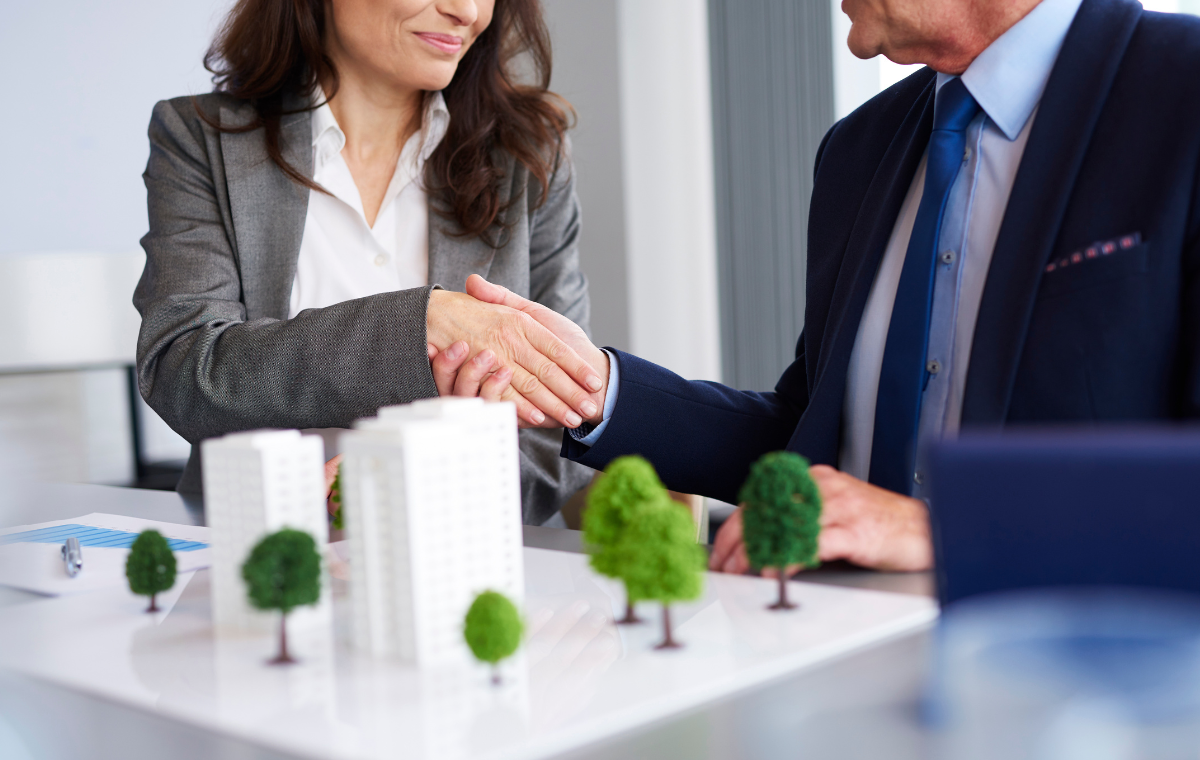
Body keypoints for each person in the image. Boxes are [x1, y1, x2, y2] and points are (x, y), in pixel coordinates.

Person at [433, 0, 1200, 568]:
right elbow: (807, 438)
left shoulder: (1182, 92)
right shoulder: (857, 153)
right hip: (837, 666)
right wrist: (596, 390)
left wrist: (946, 527)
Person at [133, 0, 606, 525]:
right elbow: (184, 369)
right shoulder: (201, 138)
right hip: (264, 557)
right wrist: (417, 325)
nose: (466, 11)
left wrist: (425, 490)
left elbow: (572, 414)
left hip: (459, 563)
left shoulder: (527, 154)